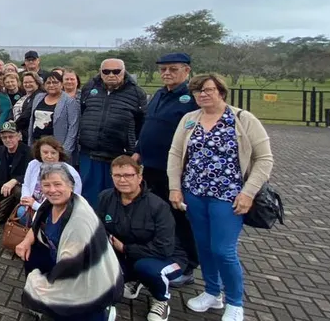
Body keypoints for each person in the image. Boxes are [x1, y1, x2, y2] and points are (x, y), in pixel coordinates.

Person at [167, 74, 274, 321]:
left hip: (228, 196)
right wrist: (175, 187)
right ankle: (213, 292)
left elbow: (264, 159)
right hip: (195, 194)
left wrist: (249, 192)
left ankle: (235, 301)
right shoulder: (189, 119)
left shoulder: (242, 119)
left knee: (223, 250)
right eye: (197, 91)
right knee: (204, 247)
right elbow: (175, 154)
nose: (202, 95)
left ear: (221, 92)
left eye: (207, 90)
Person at [16, 163, 122, 321]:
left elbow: (70, 267)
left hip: (87, 274)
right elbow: (36, 226)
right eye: (46, 185)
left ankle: (103, 312)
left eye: (58, 184)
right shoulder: (49, 203)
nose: (52, 190)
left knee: (70, 309)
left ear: (71, 186)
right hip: (61, 258)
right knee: (32, 254)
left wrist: (39, 284)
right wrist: (25, 241)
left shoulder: (79, 219)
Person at [135, 53, 200, 286]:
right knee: (157, 215)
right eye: (163, 69)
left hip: (174, 170)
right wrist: (138, 150)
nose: (167, 73)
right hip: (150, 166)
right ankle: (162, 255)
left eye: (173, 69)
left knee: (180, 218)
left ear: (186, 71)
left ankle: (188, 265)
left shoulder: (191, 98)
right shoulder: (160, 95)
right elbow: (147, 126)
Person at [97, 156, 184, 321]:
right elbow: (98, 228)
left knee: (146, 268)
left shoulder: (158, 206)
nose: (122, 180)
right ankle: (134, 280)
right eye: (117, 175)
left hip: (166, 257)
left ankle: (161, 300)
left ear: (139, 177)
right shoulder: (105, 197)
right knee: (103, 267)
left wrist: (125, 249)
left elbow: (164, 248)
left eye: (128, 175)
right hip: (127, 254)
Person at [77, 59, 146, 205]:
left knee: (116, 197)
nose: (111, 75)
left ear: (123, 71)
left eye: (116, 71)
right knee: (89, 197)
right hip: (90, 153)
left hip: (119, 155)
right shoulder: (89, 88)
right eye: (106, 71)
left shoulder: (136, 92)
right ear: (100, 72)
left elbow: (143, 123)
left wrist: (136, 149)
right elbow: (83, 112)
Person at [18, 137, 84, 224]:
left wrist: (35, 205)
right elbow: (26, 184)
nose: (49, 156)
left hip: (56, 210)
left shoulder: (70, 172)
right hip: (32, 204)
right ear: (39, 152)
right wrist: (26, 199)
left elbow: (72, 200)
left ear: (59, 154)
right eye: (45, 152)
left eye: (53, 153)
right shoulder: (33, 164)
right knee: (21, 212)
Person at [0, 121, 31, 223]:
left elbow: (32, 176)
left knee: (17, 190)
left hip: (21, 192)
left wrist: (15, 180)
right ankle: (9, 211)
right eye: (4, 137)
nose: (8, 140)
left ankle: (19, 212)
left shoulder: (28, 152)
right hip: (4, 193)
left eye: (11, 136)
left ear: (18, 136)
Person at [26, 71, 80, 155]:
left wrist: (65, 151)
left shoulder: (70, 101)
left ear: (61, 84)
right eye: (48, 82)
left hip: (57, 148)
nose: (51, 85)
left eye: (55, 82)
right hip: (37, 146)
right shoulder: (38, 97)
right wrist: (30, 144)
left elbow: (73, 128)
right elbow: (32, 121)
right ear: (44, 85)